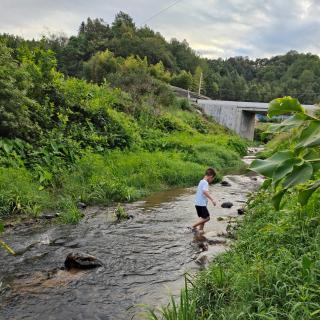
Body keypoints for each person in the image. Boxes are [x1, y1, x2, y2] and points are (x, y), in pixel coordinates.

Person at [190, 168, 216, 234]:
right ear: (211, 176)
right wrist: (212, 200)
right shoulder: (205, 183)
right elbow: (205, 191)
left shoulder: (201, 181)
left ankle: (200, 231)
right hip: (201, 204)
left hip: (198, 203)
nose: (212, 180)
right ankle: (192, 226)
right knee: (207, 218)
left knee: (203, 218)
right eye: (213, 179)